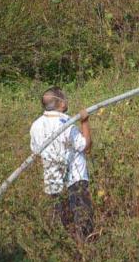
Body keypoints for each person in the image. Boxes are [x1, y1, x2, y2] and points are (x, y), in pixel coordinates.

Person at [30, 87, 93, 243]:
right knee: (82, 216)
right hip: (75, 177)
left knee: (60, 216)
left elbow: (36, 151)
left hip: (52, 179)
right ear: (61, 104)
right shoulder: (67, 124)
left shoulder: (35, 125)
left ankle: (65, 246)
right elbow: (85, 145)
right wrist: (84, 122)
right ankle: (83, 249)